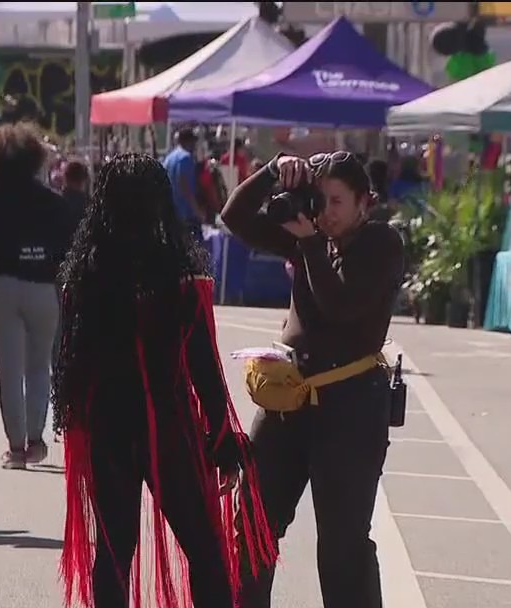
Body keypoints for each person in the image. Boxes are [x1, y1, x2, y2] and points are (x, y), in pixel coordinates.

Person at [53, 153, 276, 608]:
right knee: (204, 548)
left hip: (107, 428)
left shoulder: (85, 277)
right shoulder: (179, 277)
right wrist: (220, 431)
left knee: (114, 552)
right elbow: (203, 366)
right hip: (168, 427)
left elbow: (71, 363)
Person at [220, 152, 406, 608]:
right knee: (252, 528)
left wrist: (307, 245)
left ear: (366, 202)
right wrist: (273, 169)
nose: (325, 211)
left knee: (343, 546)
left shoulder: (381, 243)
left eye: (336, 201)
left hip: (351, 408)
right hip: (289, 400)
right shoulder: (310, 234)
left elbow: (340, 306)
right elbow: (234, 217)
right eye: (318, 200)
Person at [0, 123, 76, 470]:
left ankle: (15, 449)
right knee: (39, 366)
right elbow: (66, 253)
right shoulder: (53, 203)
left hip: (1, 285)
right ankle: (36, 439)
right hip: (43, 288)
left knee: (9, 371)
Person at [163, 128, 205, 241]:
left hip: (171, 213)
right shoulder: (186, 158)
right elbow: (185, 186)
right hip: (186, 215)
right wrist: (197, 210)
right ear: (189, 141)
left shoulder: (168, 159)